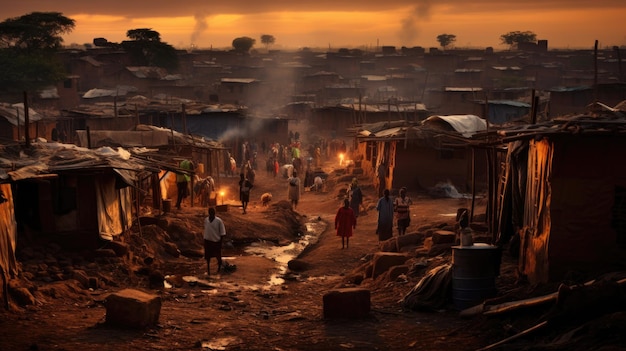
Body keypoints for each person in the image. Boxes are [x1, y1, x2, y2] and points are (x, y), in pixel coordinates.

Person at [202, 207, 226, 276]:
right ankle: (208, 270)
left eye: (212, 213)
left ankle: (219, 268)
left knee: (218, 256)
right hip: (207, 241)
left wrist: (220, 242)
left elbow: (222, 233)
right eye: (210, 213)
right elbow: (206, 229)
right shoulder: (206, 220)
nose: (211, 214)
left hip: (216, 241)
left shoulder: (219, 221)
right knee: (208, 257)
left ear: (214, 213)